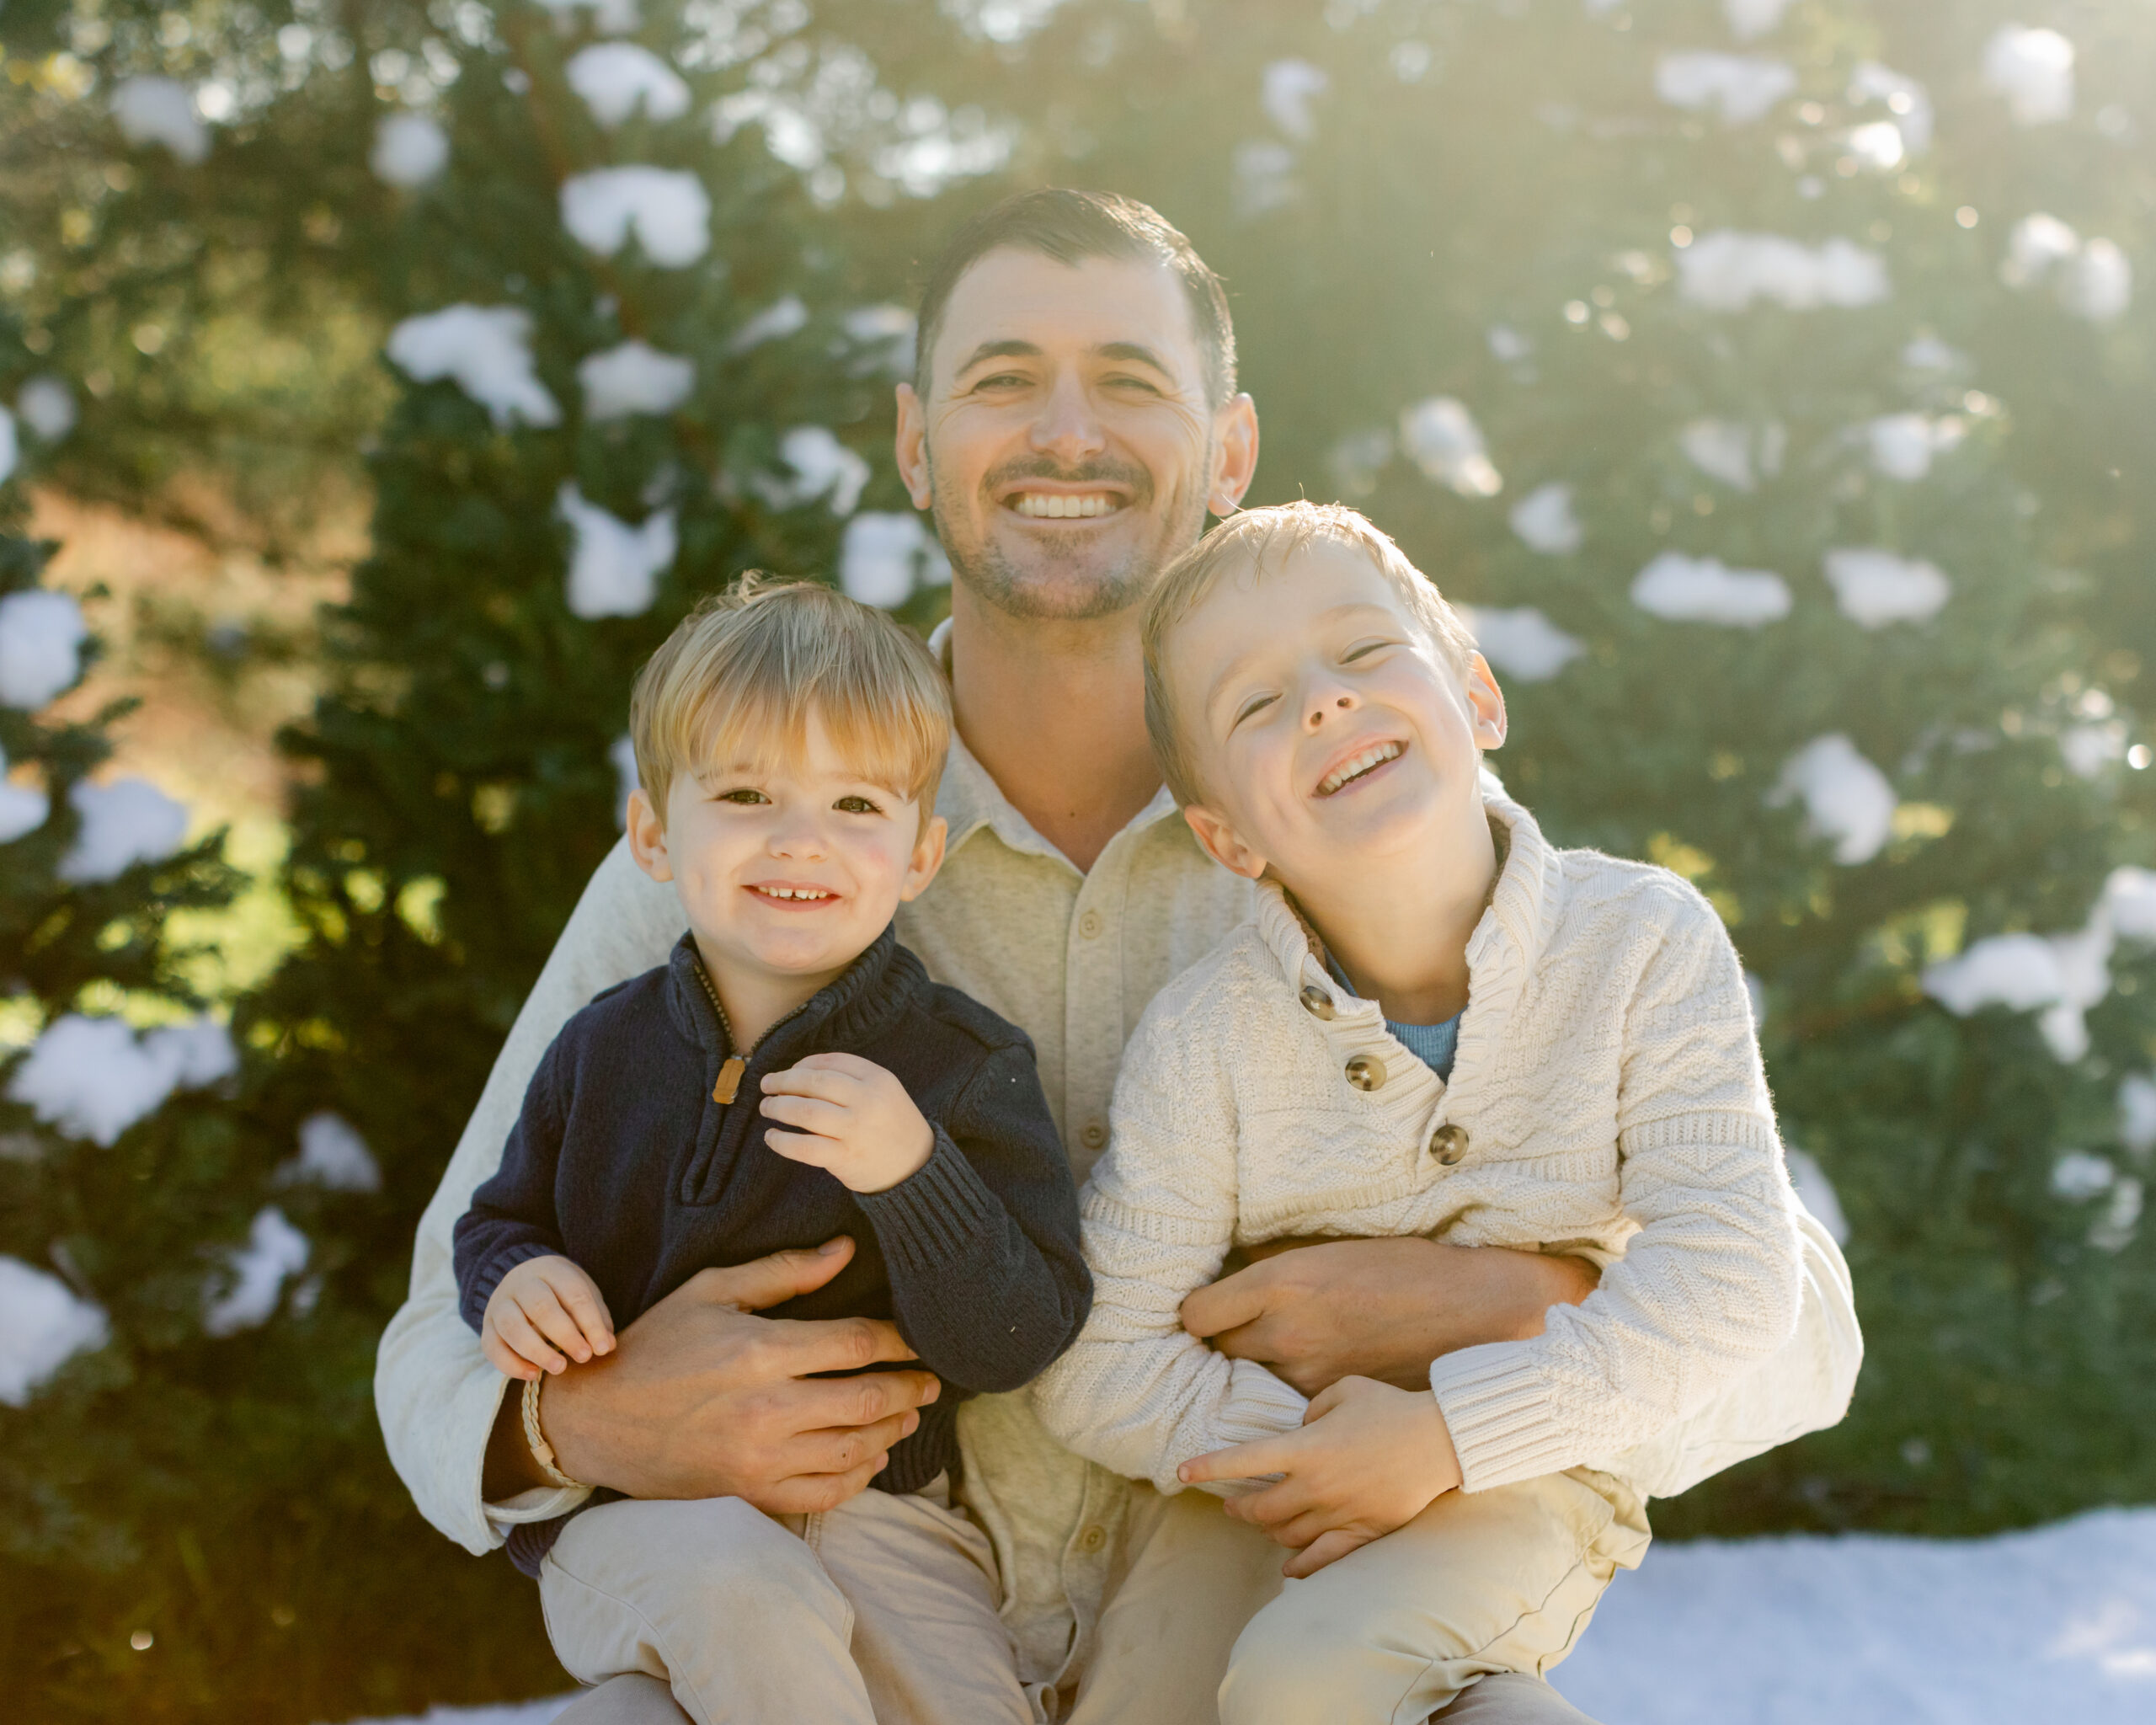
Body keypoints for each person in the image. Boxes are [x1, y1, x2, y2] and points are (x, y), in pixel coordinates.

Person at [376, 189, 1861, 1725]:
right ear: (915, 443)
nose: (1065, 434)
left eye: (1133, 383)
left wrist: (1498, 1302)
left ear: (1228, 450)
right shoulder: (763, 841)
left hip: (1265, 1616)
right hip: (849, 1611)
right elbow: (438, 1329)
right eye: (1003, 379)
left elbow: (1801, 1332)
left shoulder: (1366, 819)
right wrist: (582, 1426)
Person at [1034, 500, 1811, 1722]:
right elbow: (1096, 1360)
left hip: (1535, 1468)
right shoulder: (1205, 1039)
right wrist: (1302, 1444)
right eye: (1256, 704)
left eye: (1362, 652)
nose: (1325, 703)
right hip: (1262, 1485)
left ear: (1480, 696)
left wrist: (1444, 1437)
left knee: (1310, 1681)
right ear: (1224, 837)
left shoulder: (1643, 945)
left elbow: (1734, 1277)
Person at [452, 580, 1090, 1724]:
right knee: (742, 1596)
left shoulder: (959, 1066)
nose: (801, 838)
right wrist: (517, 1282)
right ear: (654, 833)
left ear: (921, 855)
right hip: (641, 1519)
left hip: (878, 1512)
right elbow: (500, 1221)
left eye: (854, 804)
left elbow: (1022, 1337)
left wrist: (915, 1174)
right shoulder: (600, 1049)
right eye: (746, 794)